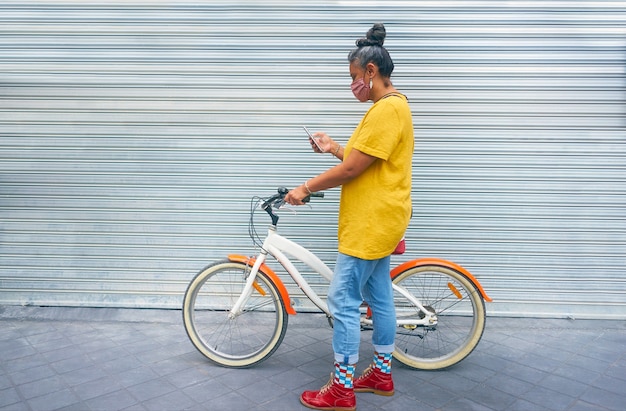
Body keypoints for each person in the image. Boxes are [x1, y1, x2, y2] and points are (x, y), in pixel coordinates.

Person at [284, 23, 414, 411]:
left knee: (341, 299)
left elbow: (352, 171)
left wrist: (305, 187)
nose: (353, 84)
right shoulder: (388, 108)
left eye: (354, 77)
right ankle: (381, 375)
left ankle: (341, 389)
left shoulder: (387, 109)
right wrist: (333, 147)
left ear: (371, 73)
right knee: (379, 297)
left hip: (371, 222)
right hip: (379, 218)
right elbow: (363, 162)